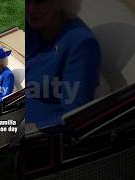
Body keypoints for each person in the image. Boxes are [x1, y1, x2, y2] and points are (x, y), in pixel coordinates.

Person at [26, 0, 101, 128]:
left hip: (43, 134)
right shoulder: (32, 27)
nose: (30, 9)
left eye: (40, 2)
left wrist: (28, 129)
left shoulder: (81, 44)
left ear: (60, 4)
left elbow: (73, 115)